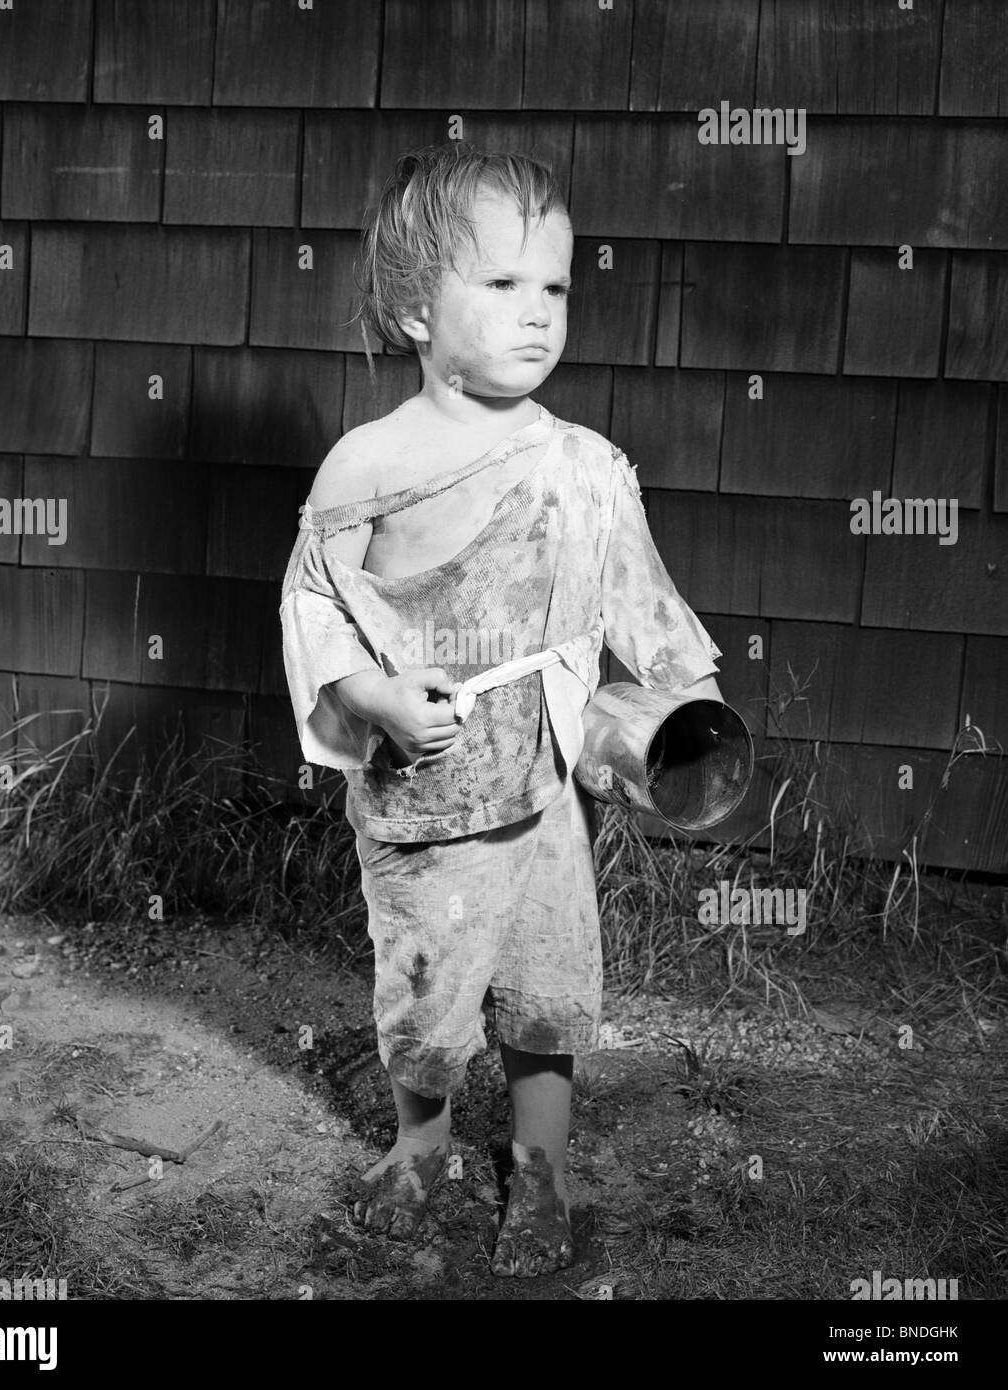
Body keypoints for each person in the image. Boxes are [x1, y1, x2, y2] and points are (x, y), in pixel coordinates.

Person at [280, 143, 723, 1277]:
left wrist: (695, 706)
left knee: (546, 989)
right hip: (423, 796)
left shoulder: (580, 467)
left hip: (540, 798)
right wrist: (374, 694)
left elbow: (646, 606)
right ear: (413, 309)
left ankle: (542, 1168)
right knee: (424, 997)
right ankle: (420, 1142)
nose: (538, 316)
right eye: (501, 284)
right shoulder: (366, 466)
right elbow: (316, 605)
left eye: (556, 287)